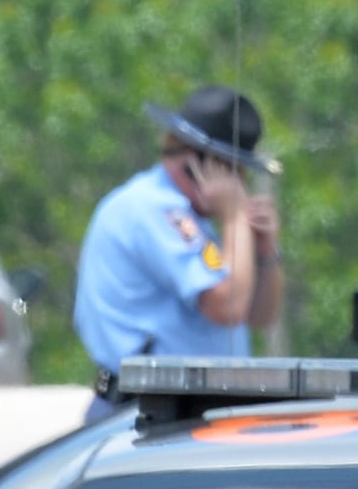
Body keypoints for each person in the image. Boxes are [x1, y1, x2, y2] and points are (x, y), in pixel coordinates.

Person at [71, 85, 282, 373]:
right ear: (197, 164)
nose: (240, 183)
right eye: (233, 169)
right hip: (148, 406)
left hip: (186, 406)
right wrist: (234, 219)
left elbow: (259, 316)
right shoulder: (153, 209)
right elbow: (227, 307)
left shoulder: (192, 218)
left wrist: (265, 252)